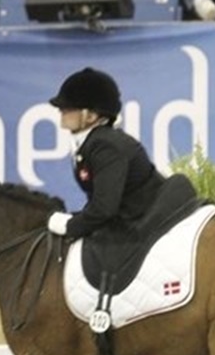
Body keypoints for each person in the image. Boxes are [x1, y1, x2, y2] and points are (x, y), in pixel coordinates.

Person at [45, 68, 165, 240]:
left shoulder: (106, 146)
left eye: (69, 107)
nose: (61, 110)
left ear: (91, 116)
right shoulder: (91, 142)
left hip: (143, 220)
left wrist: (69, 226)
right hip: (128, 215)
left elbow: (104, 208)